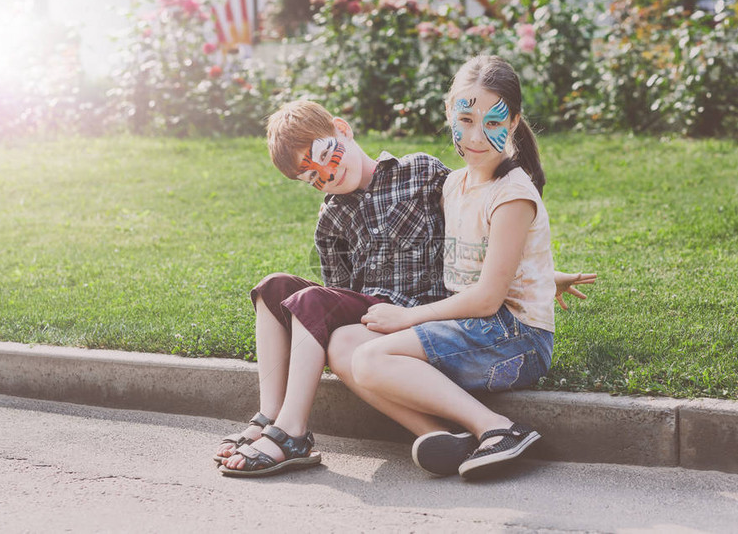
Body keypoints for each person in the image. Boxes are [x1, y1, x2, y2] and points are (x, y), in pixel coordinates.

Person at [216, 100, 595, 477]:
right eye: (311, 177)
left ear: (342, 129)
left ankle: (292, 433)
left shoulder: (421, 171)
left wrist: (543, 274)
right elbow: (337, 299)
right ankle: (268, 418)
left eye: (325, 155)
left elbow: (478, 227)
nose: (326, 175)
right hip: (375, 315)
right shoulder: (330, 219)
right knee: (272, 288)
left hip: (425, 311)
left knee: (309, 301)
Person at [350, 54, 569, 479]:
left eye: (493, 121)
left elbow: (488, 299)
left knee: (369, 362)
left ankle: (501, 429)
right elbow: (484, 263)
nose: (476, 136)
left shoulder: (512, 195)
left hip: (516, 338)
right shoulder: (454, 183)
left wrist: (408, 318)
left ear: (515, 122)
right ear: (449, 112)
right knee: (349, 346)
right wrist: (546, 277)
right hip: (477, 325)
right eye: (465, 118)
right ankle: (450, 436)